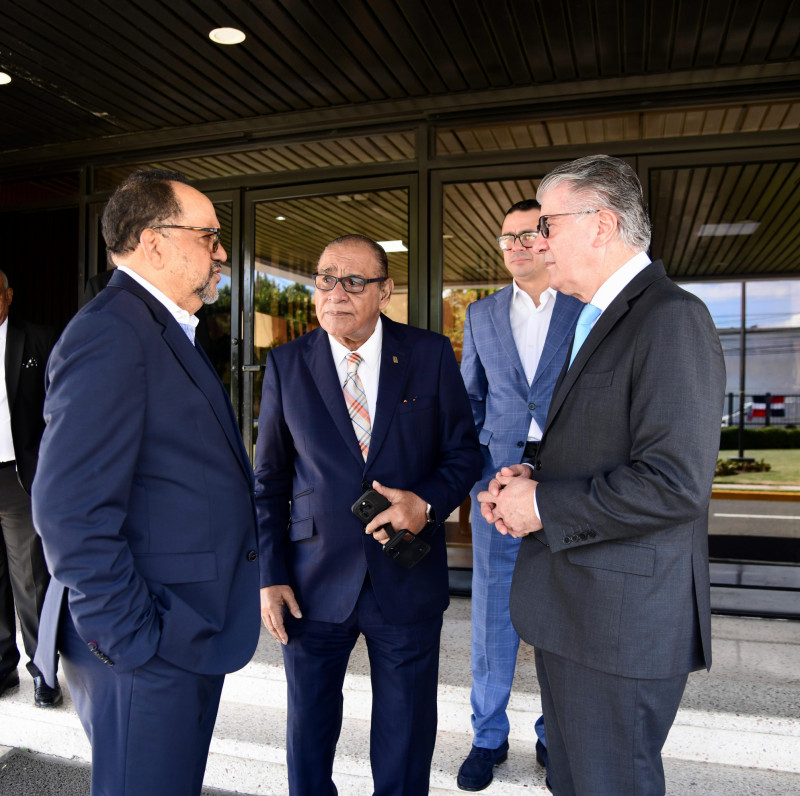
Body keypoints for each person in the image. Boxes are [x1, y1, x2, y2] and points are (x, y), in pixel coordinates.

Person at [478, 154, 725, 796]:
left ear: (602, 224)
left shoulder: (670, 317)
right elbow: (604, 445)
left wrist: (545, 507)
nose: (536, 242)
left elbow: (674, 482)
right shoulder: (596, 316)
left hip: (620, 625)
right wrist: (530, 477)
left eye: (548, 224)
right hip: (580, 614)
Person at [31, 169, 261, 796]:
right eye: (209, 235)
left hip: (184, 632)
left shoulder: (166, 328)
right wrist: (134, 641)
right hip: (148, 645)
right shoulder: (111, 333)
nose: (220, 250)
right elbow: (68, 512)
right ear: (153, 242)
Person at [254, 234, 482, 796]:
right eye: (326, 278)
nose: (337, 292)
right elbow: (270, 481)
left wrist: (423, 503)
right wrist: (270, 575)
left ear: (386, 291)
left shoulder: (428, 354)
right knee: (308, 729)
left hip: (404, 576)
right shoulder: (286, 363)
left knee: (405, 734)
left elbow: (463, 453)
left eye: (355, 281)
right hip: (310, 579)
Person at [457, 201, 582, 791]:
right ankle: (487, 736)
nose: (517, 245)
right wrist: (481, 476)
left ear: (551, 238)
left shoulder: (586, 310)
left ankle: (554, 734)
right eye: (507, 237)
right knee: (492, 617)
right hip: (497, 488)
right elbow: (471, 400)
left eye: (530, 233)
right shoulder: (480, 315)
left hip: (566, 485)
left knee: (563, 614)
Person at [0, 270, 61, 708]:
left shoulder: (36, 339)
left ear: (8, 295)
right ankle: (2, 669)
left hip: (19, 477)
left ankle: (43, 670)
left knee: (30, 577)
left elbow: (60, 404)